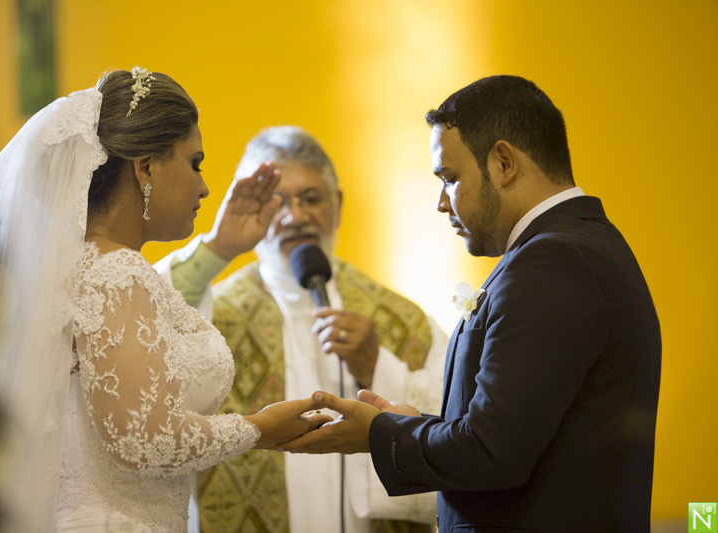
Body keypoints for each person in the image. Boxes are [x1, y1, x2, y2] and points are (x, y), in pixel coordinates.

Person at [280, 75, 662, 532]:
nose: (442, 202)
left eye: (450, 178)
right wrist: (415, 425)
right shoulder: (579, 244)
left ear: (503, 162)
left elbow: (492, 452)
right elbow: (519, 430)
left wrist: (379, 434)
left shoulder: (553, 261)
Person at [0, 67, 329, 532]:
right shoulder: (117, 274)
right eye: (195, 163)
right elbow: (143, 439)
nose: (204, 186)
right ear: (145, 166)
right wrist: (260, 429)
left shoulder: (84, 267)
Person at [154, 126, 448, 532]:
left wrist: (378, 368)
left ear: (339, 204)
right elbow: (144, 325)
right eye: (276, 202)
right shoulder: (213, 313)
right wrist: (219, 247)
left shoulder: (401, 318)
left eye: (310, 198)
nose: (295, 216)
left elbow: (456, 431)